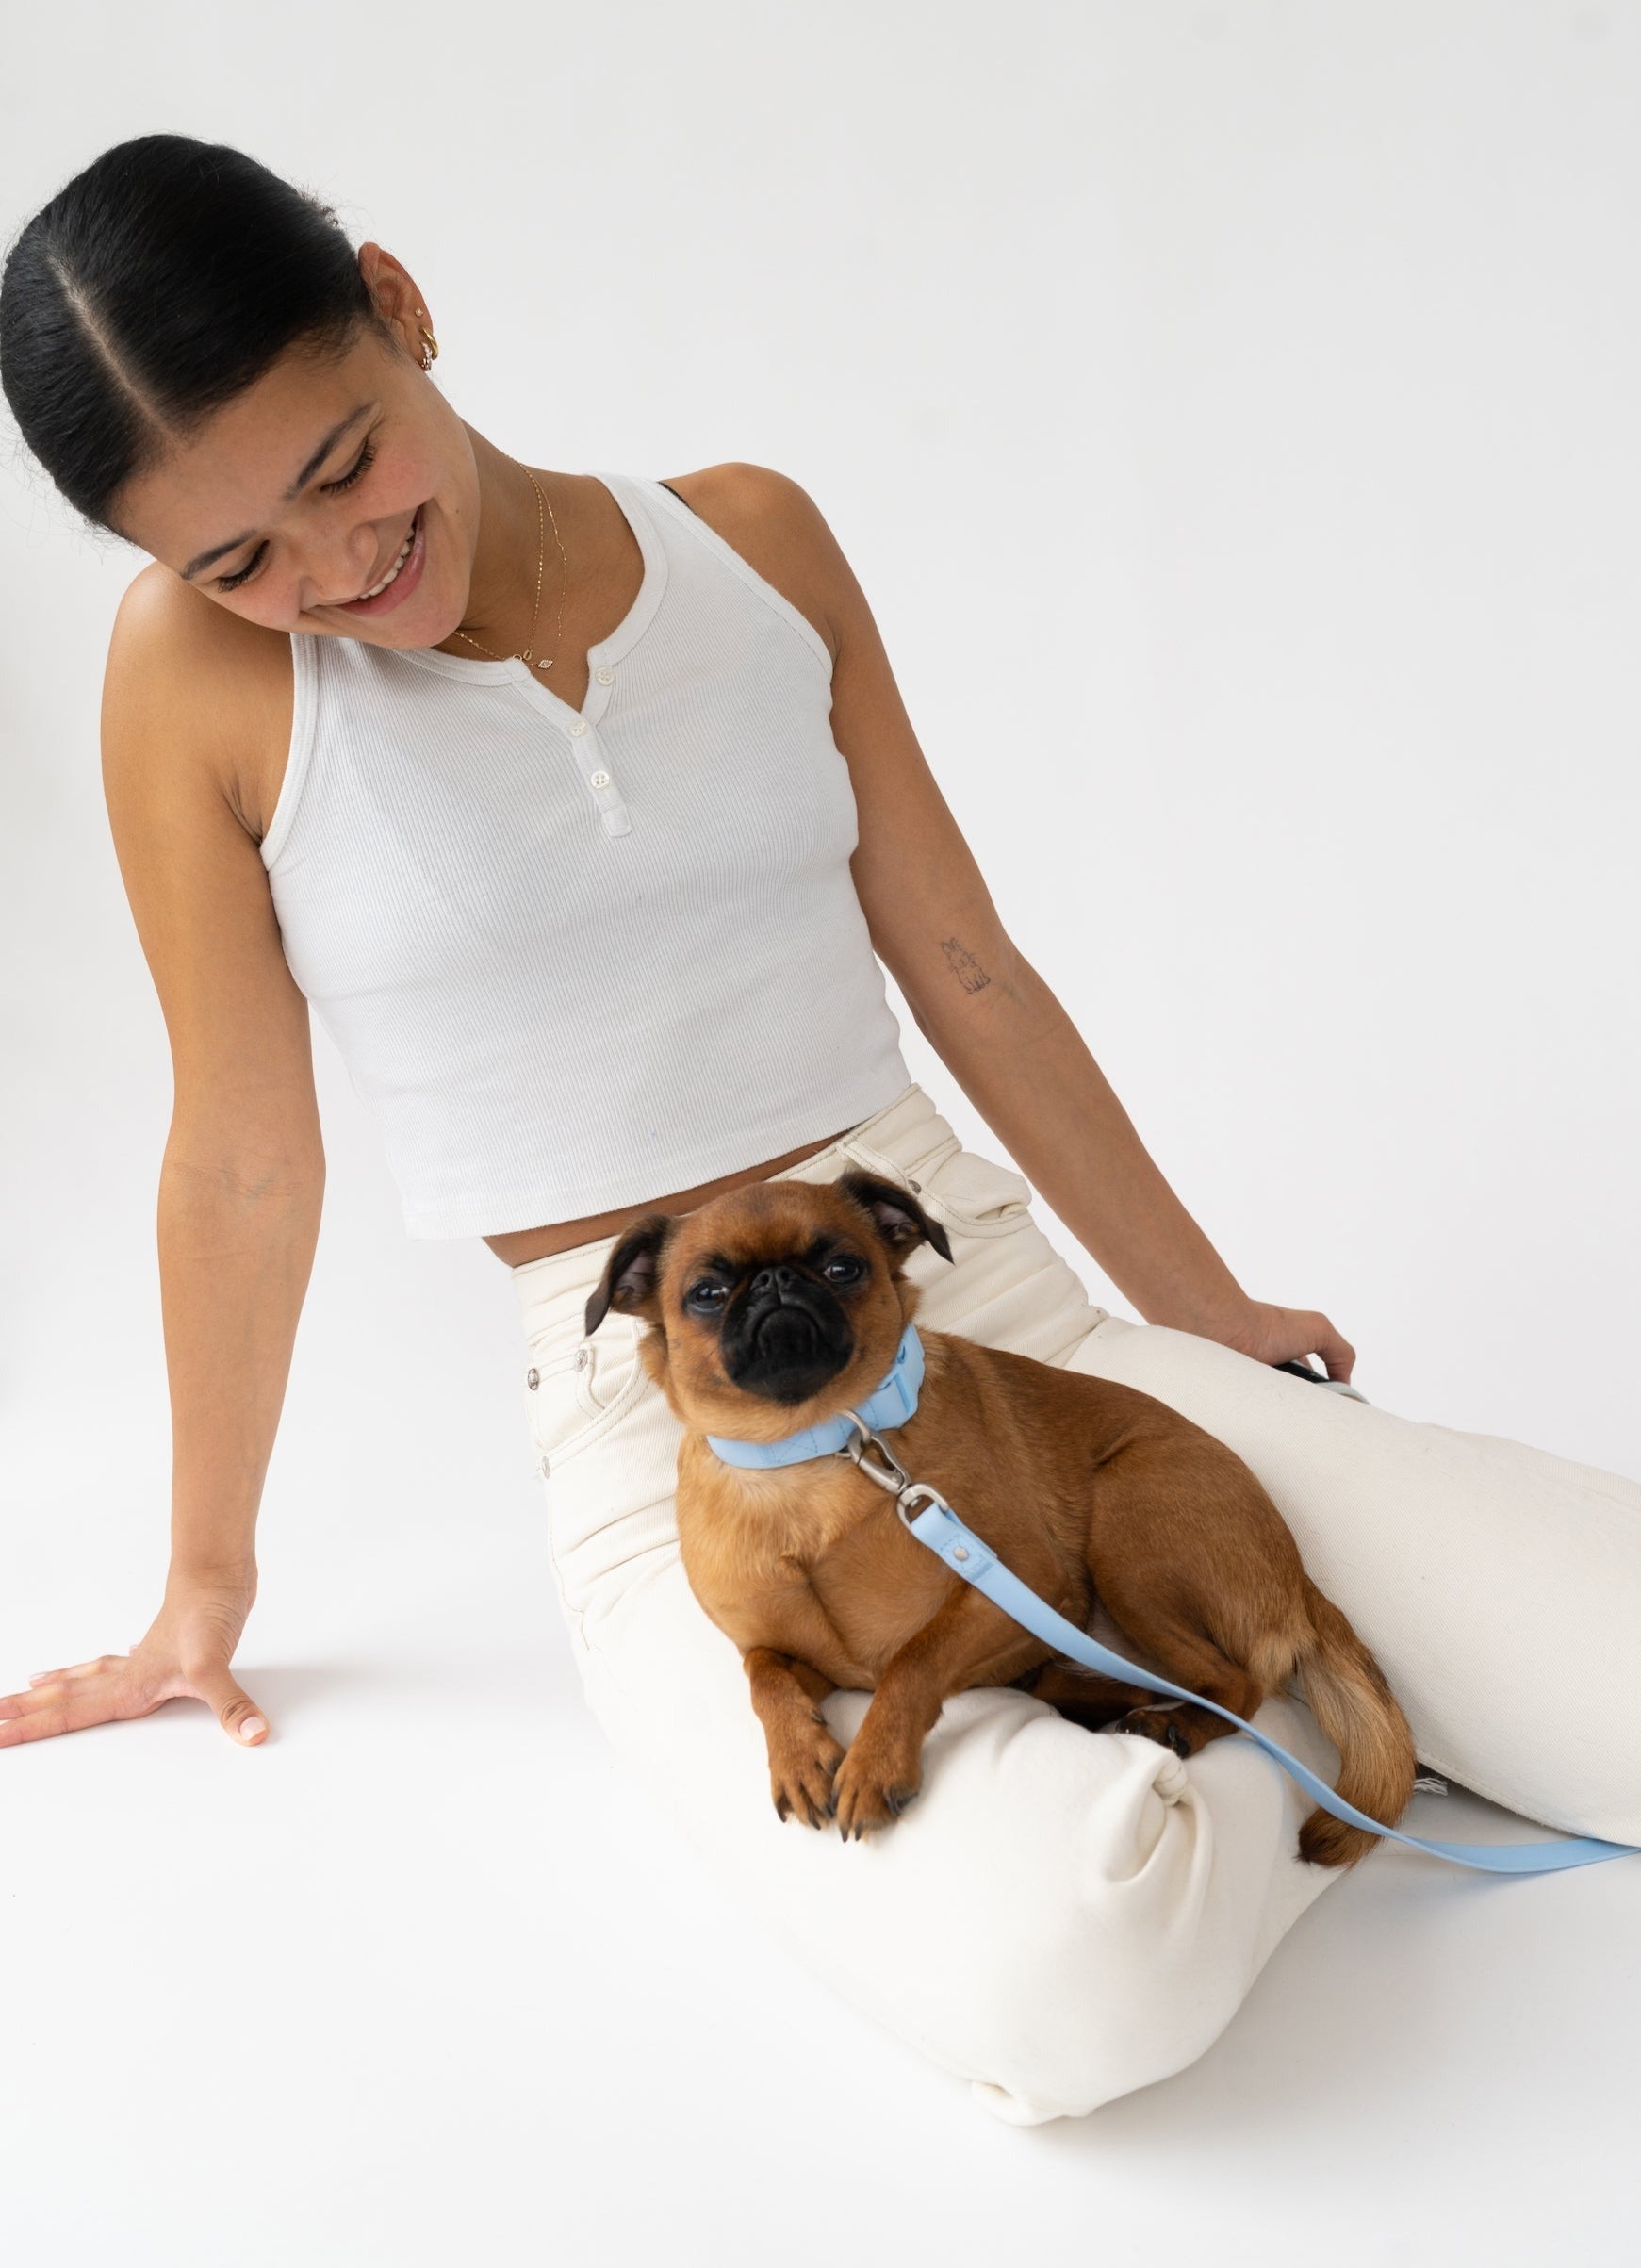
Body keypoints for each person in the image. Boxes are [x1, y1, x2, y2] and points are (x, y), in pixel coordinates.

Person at [2, 132, 1636, 2127]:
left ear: (401, 308)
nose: (332, 570)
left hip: (989, 1309)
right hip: (675, 1442)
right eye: (237, 560)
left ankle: (1250, 1681)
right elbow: (242, 1159)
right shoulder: (195, 684)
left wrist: (1201, 1315)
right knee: (1079, 1967)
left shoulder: (749, 538)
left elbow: (963, 964)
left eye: (342, 466)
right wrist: (203, 1587)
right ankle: (1273, 1712)